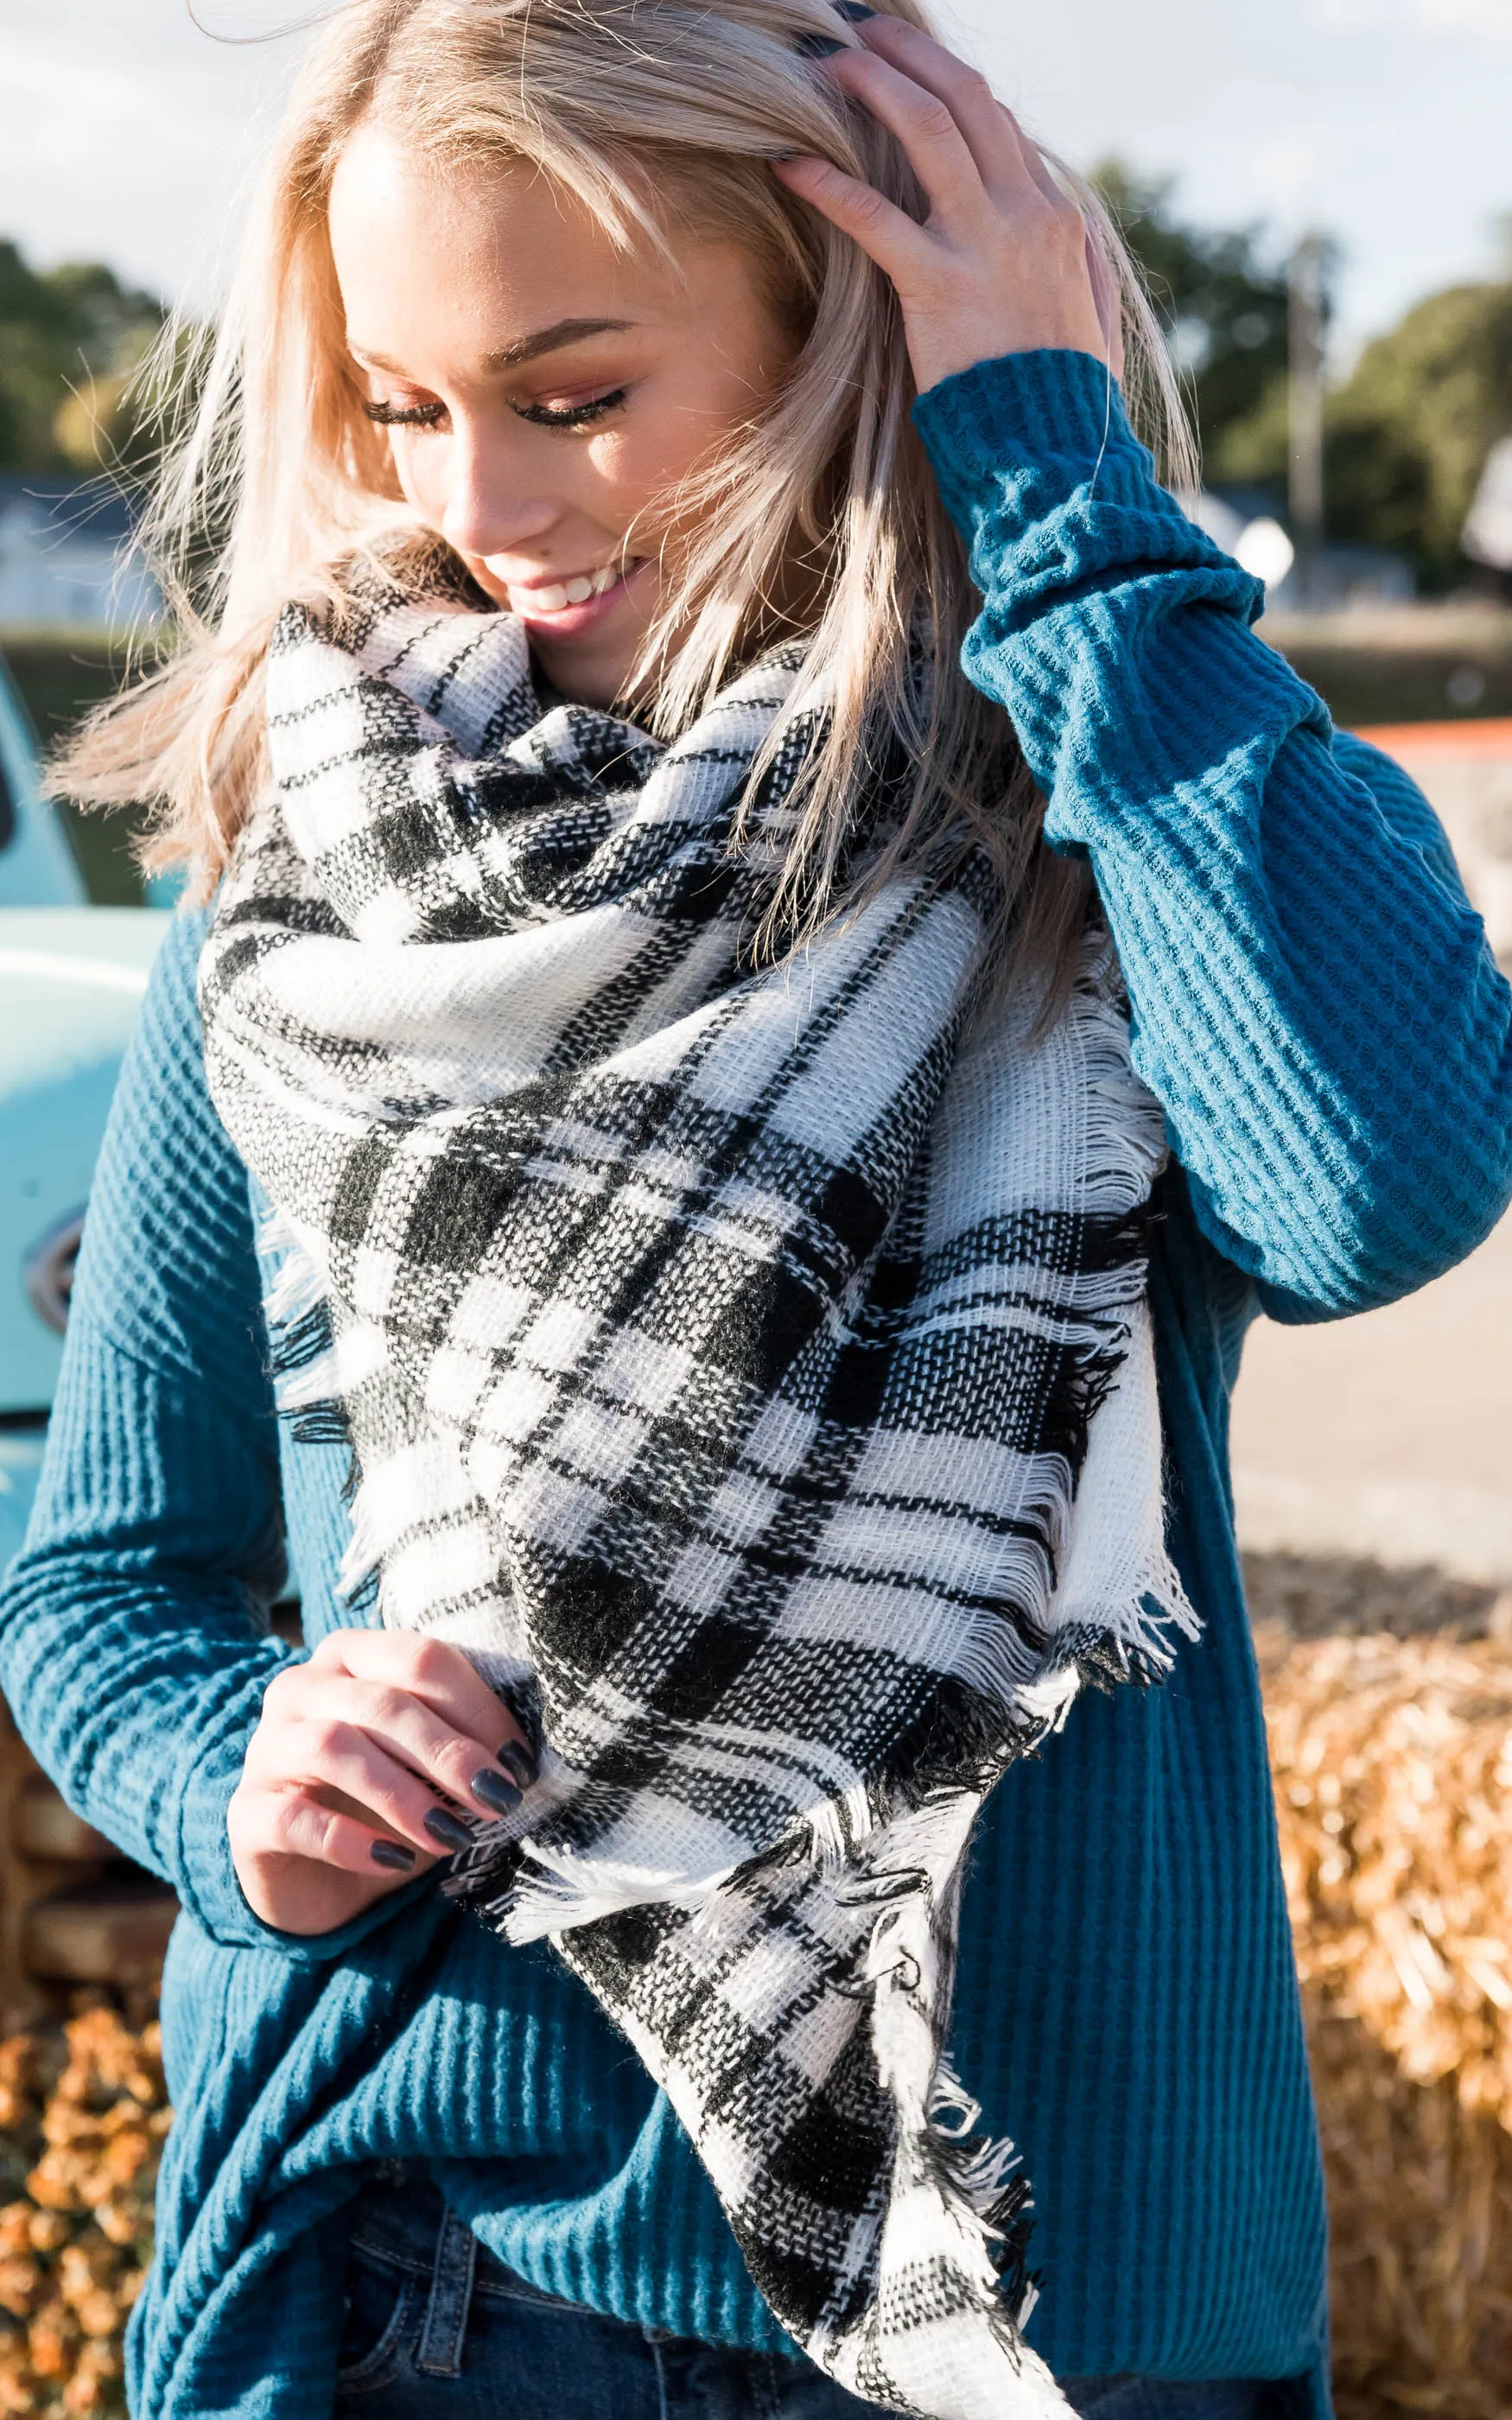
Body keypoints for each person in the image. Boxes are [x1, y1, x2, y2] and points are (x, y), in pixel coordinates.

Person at [3, 2, 1509, 2416]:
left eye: (574, 389)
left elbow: (1372, 1183)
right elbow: (104, 1582)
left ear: (853, 340)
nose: (480, 496)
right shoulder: (302, 896)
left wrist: (1047, 468)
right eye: (401, 401)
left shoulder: (1095, 833)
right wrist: (238, 1778)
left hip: (1039, 2309)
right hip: (440, 2288)